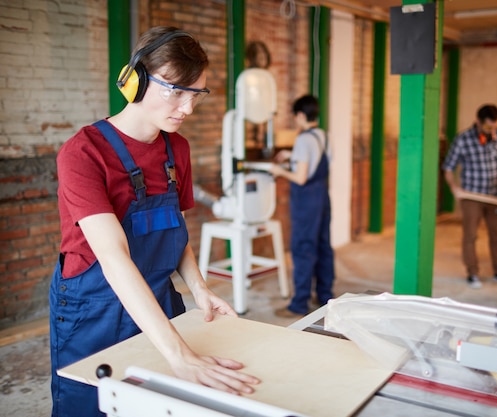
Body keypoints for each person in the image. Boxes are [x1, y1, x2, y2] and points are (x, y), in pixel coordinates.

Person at [50, 26, 259, 417]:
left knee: (157, 405)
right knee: (90, 405)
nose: (187, 108)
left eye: (195, 94)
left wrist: (198, 287)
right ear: (136, 80)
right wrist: (180, 353)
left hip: (158, 296)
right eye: (176, 91)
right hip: (94, 308)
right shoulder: (83, 153)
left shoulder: (175, 147)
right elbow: (114, 258)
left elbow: (173, 229)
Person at [269, 95, 335, 318]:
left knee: (303, 249)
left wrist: (279, 171)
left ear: (299, 115)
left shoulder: (303, 140)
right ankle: (325, 296)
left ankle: (299, 304)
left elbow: (300, 177)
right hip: (323, 198)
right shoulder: (324, 136)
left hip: (306, 201)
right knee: (323, 246)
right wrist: (292, 154)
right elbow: (316, 161)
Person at [442, 104, 497, 289]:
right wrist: (454, 188)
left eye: (495, 126)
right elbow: (448, 167)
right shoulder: (463, 139)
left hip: (494, 195)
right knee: (470, 235)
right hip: (472, 196)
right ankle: (472, 273)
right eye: (488, 127)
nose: (492, 130)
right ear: (478, 122)